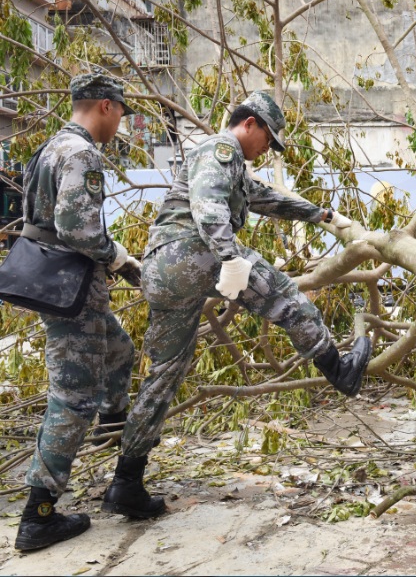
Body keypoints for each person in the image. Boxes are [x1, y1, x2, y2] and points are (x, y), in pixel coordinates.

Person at [100, 91, 372, 519]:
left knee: (165, 374)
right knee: (284, 295)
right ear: (251, 124)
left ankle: (126, 481)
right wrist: (230, 259)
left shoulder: (228, 164)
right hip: (196, 254)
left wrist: (321, 215)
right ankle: (338, 368)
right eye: (268, 140)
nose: (268, 149)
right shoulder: (222, 149)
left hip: (163, 271)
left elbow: (266, 198)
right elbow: (207, 206)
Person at [14, 73, 142, 551]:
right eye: (122, 114)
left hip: (55, 283)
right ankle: (38, 516)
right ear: (106, 106)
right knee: (72, 400)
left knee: (119, 350)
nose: (120, 125)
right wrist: (119, 258)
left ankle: (112, 427)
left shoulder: (50, 147)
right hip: (74, 293)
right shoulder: (83, 153)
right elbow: (78, 229)